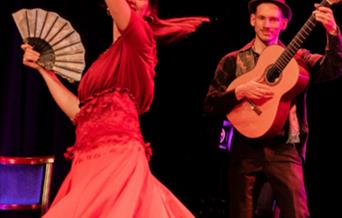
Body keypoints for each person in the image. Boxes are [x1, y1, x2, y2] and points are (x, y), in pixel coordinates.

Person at [21, 0, 209, 217]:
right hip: (86, 162)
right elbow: (80, 113)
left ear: (149, 10)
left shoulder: (141, 39)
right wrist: (45, 72)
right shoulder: (106, 60)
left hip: (117, 157)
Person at [204, 0, 342, 217]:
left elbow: (332, 69)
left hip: (284, 149)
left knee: (298, 213)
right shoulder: (233, 61)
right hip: (245, 149)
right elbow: (210, 104)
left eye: (274, 19)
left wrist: (333, 33)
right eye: (261, 18)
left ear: (284, 24)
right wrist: (240, 91)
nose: (267, 25)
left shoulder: (298, 58)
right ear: (252, 20)